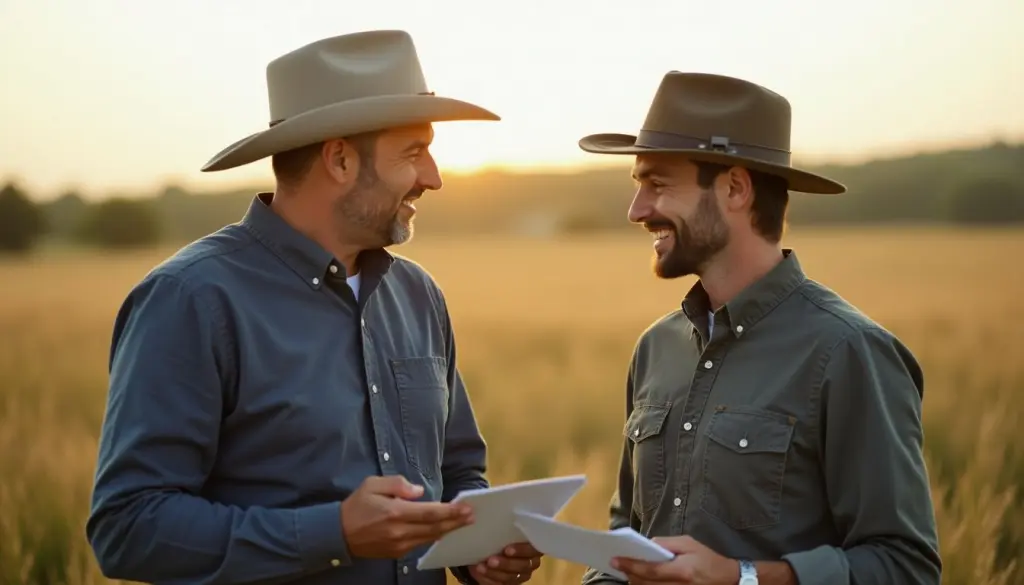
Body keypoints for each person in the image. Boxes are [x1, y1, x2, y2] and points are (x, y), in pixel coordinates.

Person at [86, 30, 543, 585]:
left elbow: (458, 469)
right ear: (341, 159)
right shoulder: (193, 300)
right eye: (414, 152)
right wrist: (335, 535)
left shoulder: (419, 296)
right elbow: (128, 528)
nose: (434, 177)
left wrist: (479, 547)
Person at [574, 72, 941, 585]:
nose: (637, 211)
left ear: (735, 188)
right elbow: (629, 534)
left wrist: (742, 577)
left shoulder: (848, 352)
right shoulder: (657, 348)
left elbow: (906, 568)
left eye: (656, 184)